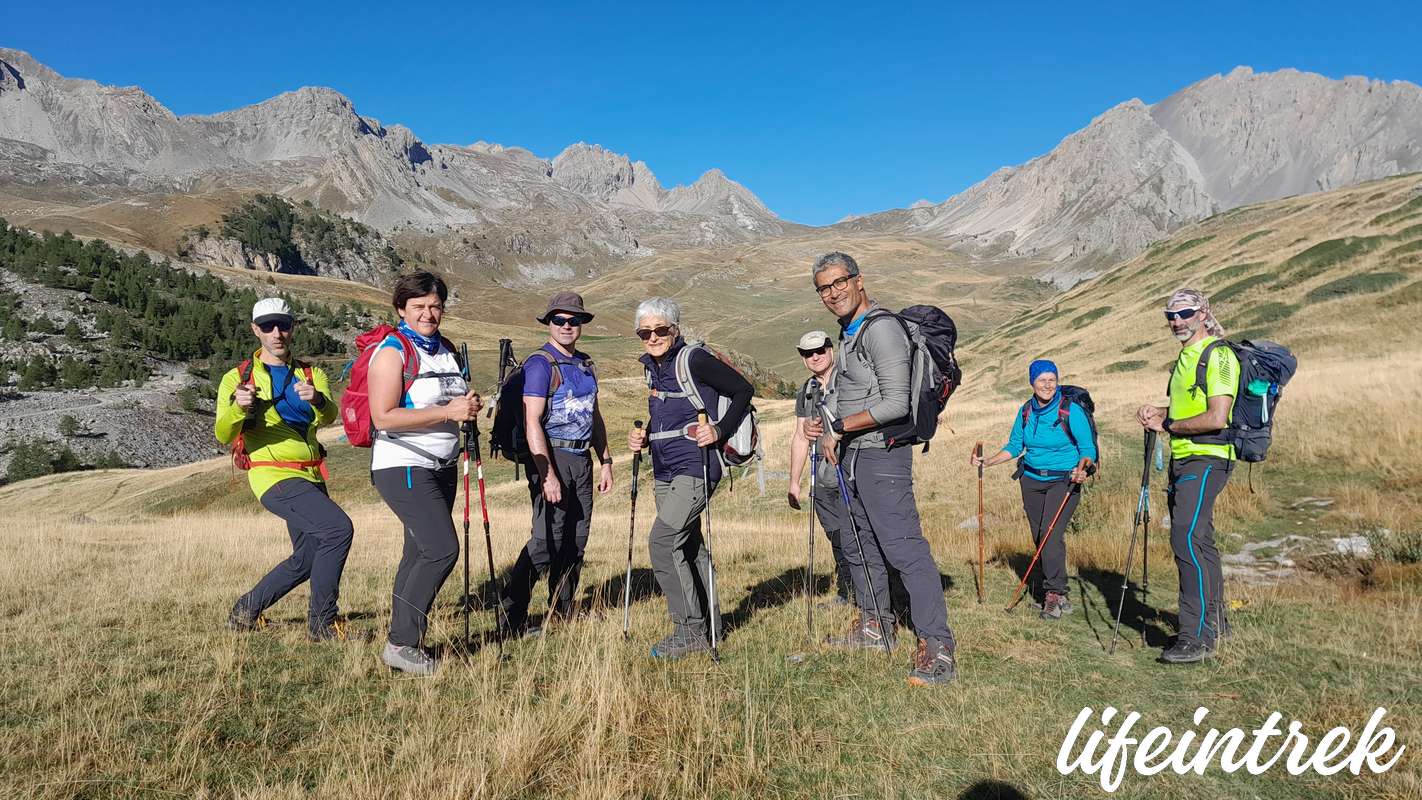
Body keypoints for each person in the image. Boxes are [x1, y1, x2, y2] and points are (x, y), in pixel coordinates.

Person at [803, 251, 957, 686]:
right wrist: (832, 427)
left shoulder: (882, 329)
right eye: (823, 288)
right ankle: (875, 627)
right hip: (854, 454)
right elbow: (856, 394)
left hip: (882, 456)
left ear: (858, 280)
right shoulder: (849, 333)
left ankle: (938, 645)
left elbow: (895, 403)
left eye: (838, 283)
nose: (832, 293)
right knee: (861, 546)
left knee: (904, 548)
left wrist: (839, 425)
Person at [215, 297, 356, 641]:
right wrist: (237, 407)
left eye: (283, 325)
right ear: (255, 331)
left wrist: (319, 400)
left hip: (310, 473)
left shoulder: (312, 373)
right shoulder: (237, 378)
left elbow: (329, 416)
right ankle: (322, 624)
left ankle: (245, 610)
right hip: (272, 474)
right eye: (267, 327)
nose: (276, 333)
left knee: (309, 557)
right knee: (338, 530)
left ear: (293, 328)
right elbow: (222, 433)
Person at [368, 271, 482, 676]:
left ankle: (402, 640)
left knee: (417, 552)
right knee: (441, 549)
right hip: (404, 465)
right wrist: (447, 412)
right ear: (401, 309)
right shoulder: (391, 353)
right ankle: (402, 643)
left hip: (442, 465)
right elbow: (383, 417)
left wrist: (466, 405)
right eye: (418, 306)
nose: (428, 314)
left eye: (434, 306)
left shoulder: (445, 349)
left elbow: (447, 402)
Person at [626, 297, 753, 660]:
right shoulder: (651, 367)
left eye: (660, 330)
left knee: (663, 544)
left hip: (696, 467)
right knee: (688, 544)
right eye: (645, 332)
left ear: (675, 329)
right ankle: (710, 623)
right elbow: (667, 413)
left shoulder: (693, 359)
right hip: (664, 469)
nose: (653, 337)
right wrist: (645, 436)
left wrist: (718, 429)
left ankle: (689, 631)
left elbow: (743, 390)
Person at [498, 292, 614, 637]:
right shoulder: (540, 364)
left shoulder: (585, 364)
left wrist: (605, 459)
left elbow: (594, 415)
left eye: (573, 321)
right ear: (548, 323)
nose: (566, 326)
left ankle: (562, 612)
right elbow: (533, 421)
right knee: (546, 540)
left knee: (576, 540)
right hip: (552, 457)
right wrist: (546, 473)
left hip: (581, 458)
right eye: (559, 320)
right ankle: (510, 616)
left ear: (581, 325)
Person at [1136, 288, 1239, 665]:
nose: (1177, 321)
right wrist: (1159, 413)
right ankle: (1215, 622)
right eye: (1171, 316)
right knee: (1201, 541)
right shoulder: (1185, 358)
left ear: (1203, 312)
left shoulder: (1220, 355)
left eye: (1185, 313)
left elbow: (1216, 417)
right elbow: (1185, 408)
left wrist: (1171, 423)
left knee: (1186, 542)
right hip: (1185, 458)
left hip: (1208, 458)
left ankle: (1195, 637)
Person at [971, 359, 1096, 621]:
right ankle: (1060, 592)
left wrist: (1083, 467)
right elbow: (1016, 445)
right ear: (1032, 382)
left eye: (1052, 379)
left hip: (1064, 480)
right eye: (1042, 380)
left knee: (1049, 535)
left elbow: (1087, 448)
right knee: (1040, 537)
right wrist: (989, 461)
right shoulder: (1026, 411)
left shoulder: (1070, 410)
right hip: (1030, 479)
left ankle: (1052, 595)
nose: (1048, 385)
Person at [787, 330, 853, 607]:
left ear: (831, 349)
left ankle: (874, 593)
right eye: (808, 353)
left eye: (820, 350)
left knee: (858, 535)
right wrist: (794, 482)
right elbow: (800, 438)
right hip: (823, 478)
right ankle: (849, 592)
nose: (815, 357)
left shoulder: (850, 379)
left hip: (851, 472)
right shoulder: (807, 390)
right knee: (837, 537)